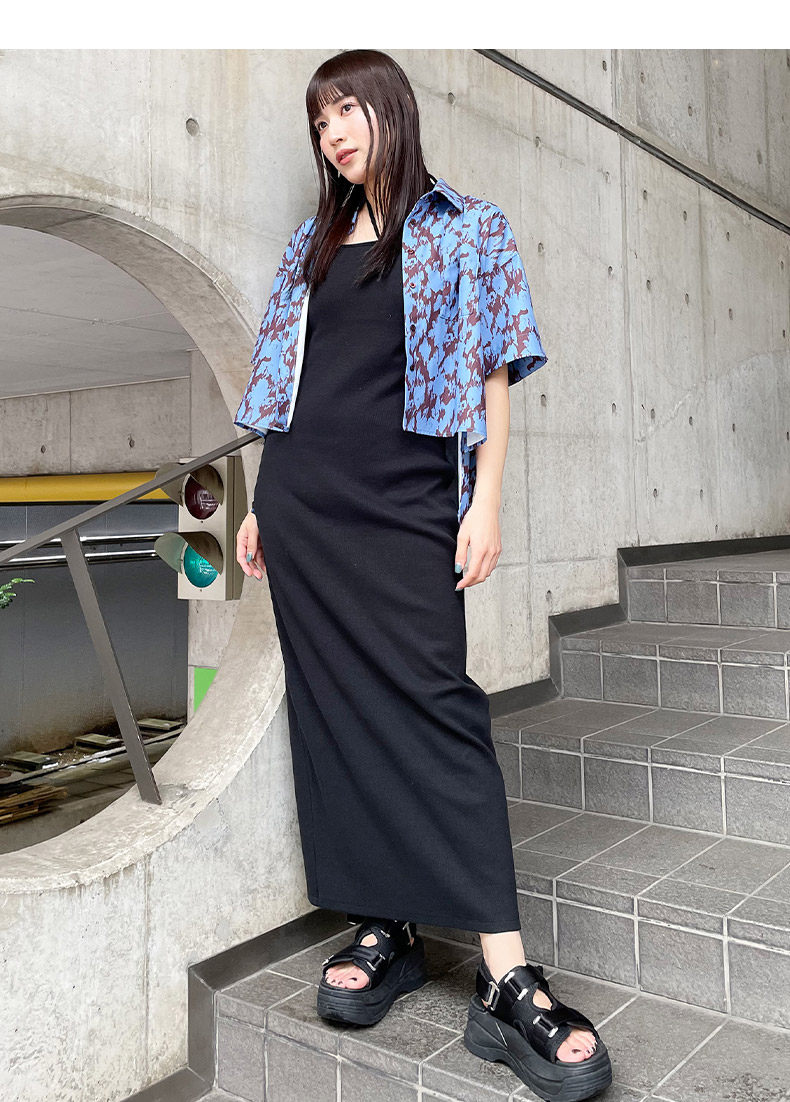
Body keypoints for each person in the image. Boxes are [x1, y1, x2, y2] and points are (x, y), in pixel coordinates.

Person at [234, 48, 612, 1101]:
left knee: (440, 708)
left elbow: (493, 374)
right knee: (335, 708)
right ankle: (387, 924)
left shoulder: (468, 226)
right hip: (305, 501)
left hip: (407, 500)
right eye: (319, 121)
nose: (333, 133)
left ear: (390, 109)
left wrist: (484, 501)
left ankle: (505, 974)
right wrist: (261, 499)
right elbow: (285, 382)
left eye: (346, 109)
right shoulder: (310, 243)